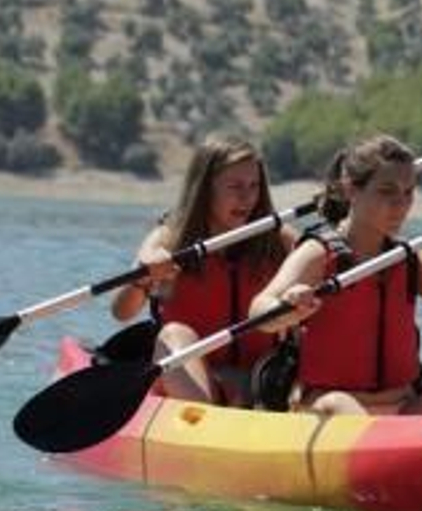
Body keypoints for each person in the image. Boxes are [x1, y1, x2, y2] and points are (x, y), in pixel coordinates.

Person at [250, 133, 422, 417]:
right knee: (340, 404)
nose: (401, 205)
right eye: (387, 191)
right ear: (351, 190)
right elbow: (259, 309)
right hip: (329, 407)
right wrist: (288, 307)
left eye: (408, 192)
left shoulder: (409, 256)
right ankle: (388, 444)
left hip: (404, 407)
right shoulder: (318, 253)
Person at [110, 136, 294, 405]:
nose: (247, 197)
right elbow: (121, 311)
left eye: (254, 186)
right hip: (185, 380)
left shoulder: (279, 241)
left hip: (258, 384)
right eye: (235, 186)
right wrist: (144, 277)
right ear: (205, 189)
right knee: (173, 334)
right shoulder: (170, 239)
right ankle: (205, 416)